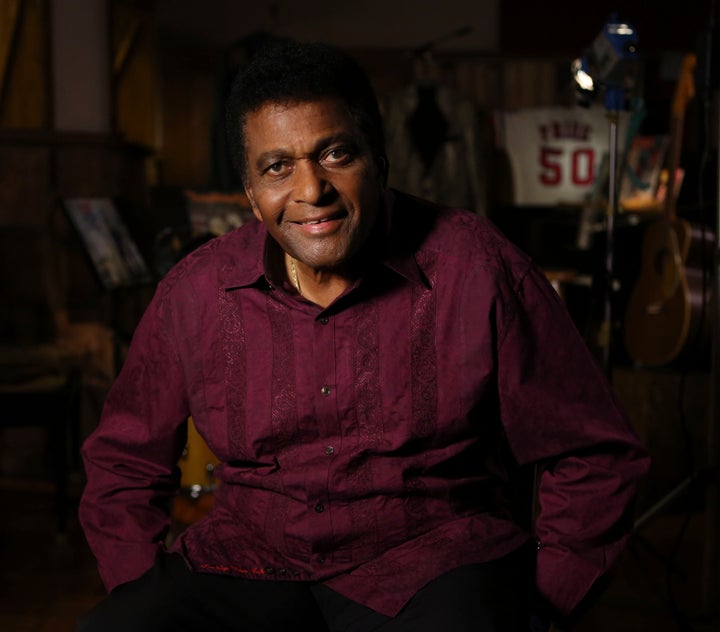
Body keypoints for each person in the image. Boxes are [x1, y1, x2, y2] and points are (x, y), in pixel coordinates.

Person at [77, 40, 649, 632]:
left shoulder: (478, 267)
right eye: (278, 167)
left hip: (434, 565)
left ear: (379, 158)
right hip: (250, 564)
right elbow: (123, 462)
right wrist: (138, 592)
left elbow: (594, 454)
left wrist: (541, 609)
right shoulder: (195, 292)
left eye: (335, 154)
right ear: (250, 193)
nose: (310, 191)